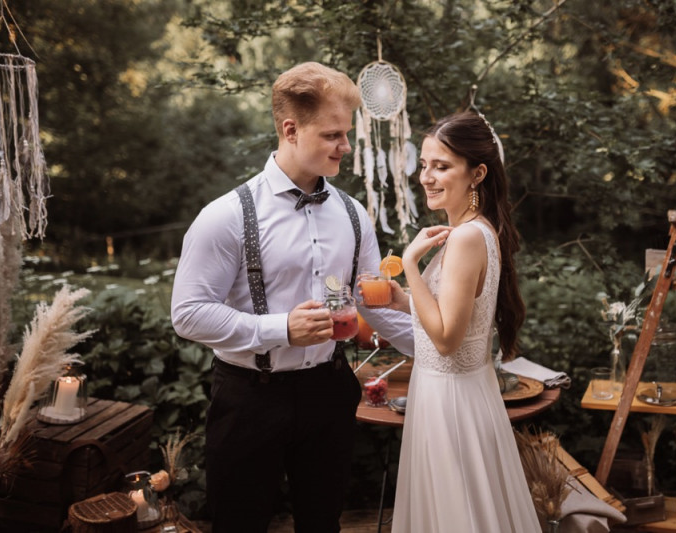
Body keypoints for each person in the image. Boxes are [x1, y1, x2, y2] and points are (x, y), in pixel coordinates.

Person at [170, 62, 413, 532]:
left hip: (329, 391)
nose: (346, 146)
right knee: (239, 525)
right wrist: (281, 328)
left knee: (323, 524)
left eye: (346, 134)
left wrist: (442, 349)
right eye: (333, 135)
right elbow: (188, 314)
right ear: (290, 129)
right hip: (249, 399)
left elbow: (372, 303)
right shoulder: (225, 216)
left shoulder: (353, 214)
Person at [389, 111, 541, 532]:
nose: (427, 177)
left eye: (442, 166)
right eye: (424, 165)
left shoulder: (466, 237)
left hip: (451, 401)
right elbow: (453, 316)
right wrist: (403, 301)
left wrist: (410, 264)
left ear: (477, 174)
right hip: (454, 392)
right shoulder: (477, 230)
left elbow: (445, 340)